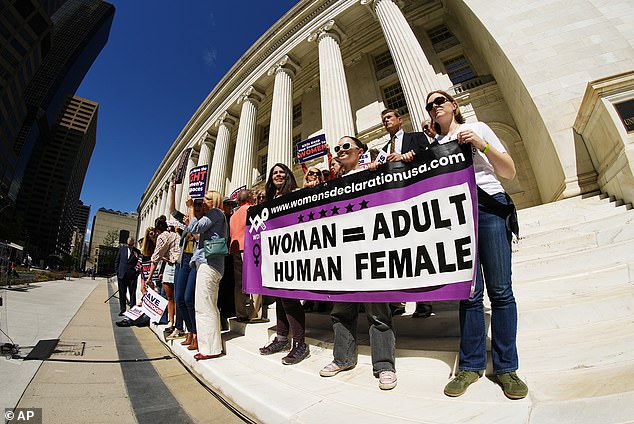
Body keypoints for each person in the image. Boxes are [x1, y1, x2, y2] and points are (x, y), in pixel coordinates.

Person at [425, 90, 527, 399]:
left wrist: (480, 145)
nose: (435, 106)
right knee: (469, 294)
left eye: (440, 100)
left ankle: (507, 367)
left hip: (489, 208)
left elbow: (509, 171)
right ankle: (469, 367)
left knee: (501, 291)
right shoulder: (434, 147)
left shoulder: (479, 128)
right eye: (430, 105)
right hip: (456, 218)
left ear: (454, 105)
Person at [319, 136, 397, 390]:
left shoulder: (373, 171)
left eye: (345, 146)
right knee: (341, 310)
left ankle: (384, 365)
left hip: (370, 250)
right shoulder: (334, 184)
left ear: (360, 151)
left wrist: (377, 171)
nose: (340, 151)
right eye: (337, 148)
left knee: (378, 312)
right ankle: (343, 358)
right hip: (342, 253)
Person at [258, 163, 310, 365]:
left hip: (292, 249)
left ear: (288, 175)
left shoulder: (295, 193)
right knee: (278, 296)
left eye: (281, 172)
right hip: (274, 251)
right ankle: (281, 339)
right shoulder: (270, 200)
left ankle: (299, 343)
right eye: (274, 173)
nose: (278, 175)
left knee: (289, 296)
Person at [186, 190, 227, 360]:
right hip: (211, 265)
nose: (203, 201)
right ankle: (211, 346)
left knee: (204, 307)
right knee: (208, 305)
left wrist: (190, 208)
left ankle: (209, 349)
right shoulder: (217, 216)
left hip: (209, 265)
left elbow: (194, 227)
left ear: (215, 201)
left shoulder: (215, 213)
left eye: (207, 199)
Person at [168, 180, 199, 344]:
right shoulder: (187, 220)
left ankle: (194, 332)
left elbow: (198, 235)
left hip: (193, 261)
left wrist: (192, 213)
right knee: (179, 298)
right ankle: (189, 329)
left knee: (188, 299)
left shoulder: (200, 220)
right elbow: (172, 211)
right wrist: (172, 190)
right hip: (182, 261)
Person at [230, 189, 266, 323]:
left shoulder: (234, 215)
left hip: (235, 249)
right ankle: (255, 314)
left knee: (239, 283)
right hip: (249, 247)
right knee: (255, 279)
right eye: (254, 195)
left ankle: (240, 313)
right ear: (250, 197)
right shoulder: (252, 209)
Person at [147, 217, 180, 331]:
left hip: (171, 268)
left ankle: (172, 322)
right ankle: (176, 323)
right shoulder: (176, 235)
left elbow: (155, 259)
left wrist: (149, 278)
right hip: (178, 266)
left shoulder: (162, 237)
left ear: (157, 230)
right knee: (177, 298)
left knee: (170, 298)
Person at [114, 237, 139, 316]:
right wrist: (117, 272)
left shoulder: (137, 252)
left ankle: (132, 310)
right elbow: (117, 261)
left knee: (132, 293)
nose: (130, 246)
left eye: (131, 245)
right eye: (128, 244)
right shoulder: (122, 249)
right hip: (122, 275)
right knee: (122, 293)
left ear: (133, 244)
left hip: (132, 276)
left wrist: (137, 257)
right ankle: (123, 309)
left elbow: (140, 263)